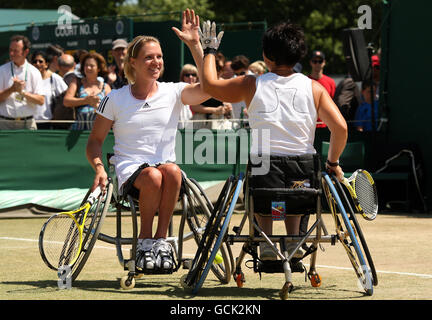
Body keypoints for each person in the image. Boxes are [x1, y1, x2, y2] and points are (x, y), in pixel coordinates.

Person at [194, 20, 347, 261]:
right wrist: (333, 163)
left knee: (267, 183)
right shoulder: (314, 88)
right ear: (299, 54)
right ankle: (294, 237)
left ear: (266, 55)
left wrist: (209, 50)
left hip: (265, 173)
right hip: (303, 172)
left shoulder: (251, 84)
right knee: (294, 188)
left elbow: (210, 85)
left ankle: (266, 239)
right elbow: (340, 128)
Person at [85, 9, 211, 272]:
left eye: (159, 57)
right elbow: (95, 141)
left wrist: (195, 45)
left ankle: (161, 241)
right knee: (153, 176)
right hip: (131, 172)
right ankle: (143, 242)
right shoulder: (115, 99)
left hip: (165, 172)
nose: (156, 62)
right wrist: (99, 167)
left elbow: (208, 88)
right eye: (149, 57)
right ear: (132, 62)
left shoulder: (173, 91)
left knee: (173, 172)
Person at [0, 35, 44, 130]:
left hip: (27, 124)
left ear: (26, 52)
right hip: (5, 124)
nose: (11, 53)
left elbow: (41, 100)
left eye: (15, 51)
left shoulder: (34, 72)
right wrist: (12, 89)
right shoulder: (2, 70)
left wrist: (22, 92)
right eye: (10, 50)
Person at [63, 52, 111, 130]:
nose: (88, 68)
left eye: (91, 66)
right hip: (78, 131)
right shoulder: (76, 82)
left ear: (98, 68)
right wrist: (86, 100)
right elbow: (66, 101)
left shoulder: (106, 87)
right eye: (86, 65)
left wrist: (97, 107)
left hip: (99, 132)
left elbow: (111, 109)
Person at [189, 53, 233, 129]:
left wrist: (227, 107)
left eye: (221, 68)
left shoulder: (224, 84)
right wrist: (214, 110)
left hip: (219, 123)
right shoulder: (201, 83)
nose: (219, 71)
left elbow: (228, 104)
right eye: (217, 68)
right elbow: (194, 107)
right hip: (201, 123)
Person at [31, 51, 68, 129]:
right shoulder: (28, 79)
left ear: (46, 64)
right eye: (35, 61)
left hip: (50, 124)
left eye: (40, 61)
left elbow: (66, 96)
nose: (37, 64)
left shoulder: (54, 78)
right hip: (31, 123)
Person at [308, 50, 336, 128]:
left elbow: (332, 104)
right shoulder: (305, 81)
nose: (317, 64)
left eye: (320, 61)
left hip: (326, 126)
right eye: (314, 61)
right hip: (309, 125)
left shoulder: (330, 82)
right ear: (311, 63)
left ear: (324, 62)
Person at [178, 63, 196, 129]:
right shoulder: (179, 90)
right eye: (187, 75)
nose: (191, 77)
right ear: (182, 77)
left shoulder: (200, 91)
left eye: (194, 75)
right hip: (184, 128)